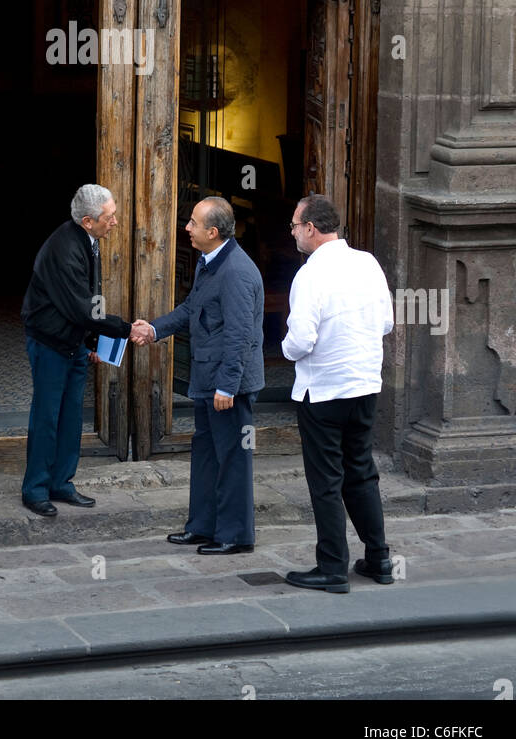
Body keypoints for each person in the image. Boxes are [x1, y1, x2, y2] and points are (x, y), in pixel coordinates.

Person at [132, 197, 264, 555]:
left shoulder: (236, 271)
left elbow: (240, 335)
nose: (186, 228)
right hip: (209, 381)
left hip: (226, 385)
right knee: (206, 454)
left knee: (233, 458)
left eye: (192, 223)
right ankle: (204, 526)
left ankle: (235, 535)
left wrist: (228, 385)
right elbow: (192, 308)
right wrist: (154, 330)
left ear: (213, 231)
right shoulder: (210, 263)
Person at [281, 193, 395, 594]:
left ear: (311, 228)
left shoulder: (310, 274)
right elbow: (385, 322)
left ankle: (332, 567)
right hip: (364, 385)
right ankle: (379, 558)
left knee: (327, 480)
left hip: (324, 390)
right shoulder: (368, 263)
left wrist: (284, 349)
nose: (293, 232)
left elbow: (300, 341)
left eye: (295, 225)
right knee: (361, 471)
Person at [21, 185, 139, 516]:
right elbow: (82, 308)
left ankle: (61, 483)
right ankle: (35, 489)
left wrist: (91, 342)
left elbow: (89, 300)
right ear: (88, 221)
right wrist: (126, 329)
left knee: (71, 416)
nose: (115, 221)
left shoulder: (88, 240)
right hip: (51, 343)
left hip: (73, 342)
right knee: (47, 417)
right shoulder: (63, 247)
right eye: (109, 217)